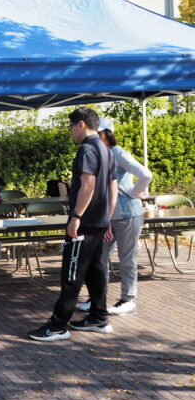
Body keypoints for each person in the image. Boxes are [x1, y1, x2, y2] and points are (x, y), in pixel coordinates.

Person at [29, 107, 118, 342]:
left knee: (72, 272)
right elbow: (113, 190)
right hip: (99, 222)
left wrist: (76, 216)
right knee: (95, 271)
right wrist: (106, 218)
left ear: (81, 124)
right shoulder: (106, 150)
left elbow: (88, 185)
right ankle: (99, 317)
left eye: (71, 126)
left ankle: (58, 326)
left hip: (84, 223)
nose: (70, 131)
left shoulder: (87, 149)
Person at [76, 118, 152, 316]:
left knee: (127, 259)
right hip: (108, 217)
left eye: (98, 134)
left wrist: (134, 193)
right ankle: (97, 299)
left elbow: (145, 174)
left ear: (106, 134)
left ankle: (128, 300)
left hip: (127, 215)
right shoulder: (99, 153)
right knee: (99, 259)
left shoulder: (118, 153)